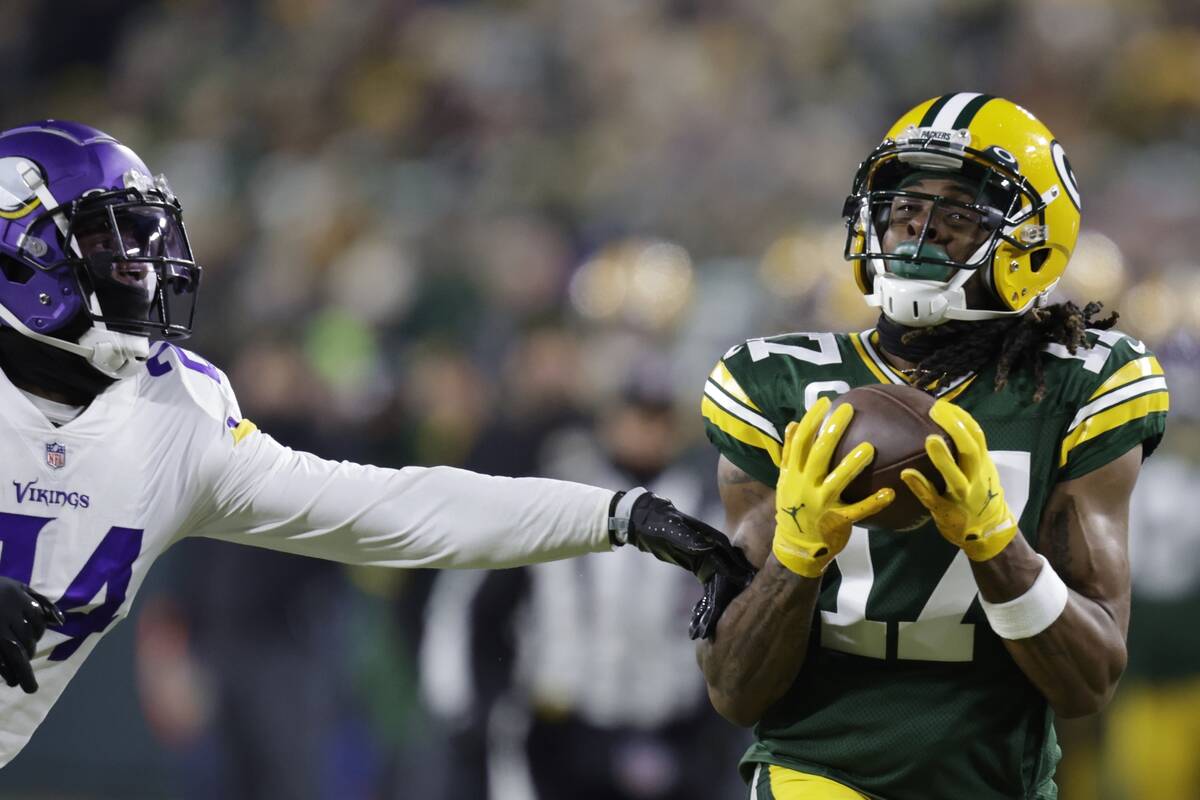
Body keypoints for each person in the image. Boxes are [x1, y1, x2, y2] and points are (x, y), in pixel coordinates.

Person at [0, 120, 752, 768]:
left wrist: (617, 515)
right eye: (103, 237)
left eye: (141, 235)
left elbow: (397, 511)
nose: (136, 262)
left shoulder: (175, 410)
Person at [696, 93, 1168, 799]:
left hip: (994, 773)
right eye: (904, 208)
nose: (917, 232)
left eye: (955, 214)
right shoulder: (778, 383)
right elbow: (734, 689)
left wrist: (994, 543)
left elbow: (1088, 682)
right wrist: (794, 559)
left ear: (1031, 241)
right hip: (816, 764)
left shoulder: (1079, 386)